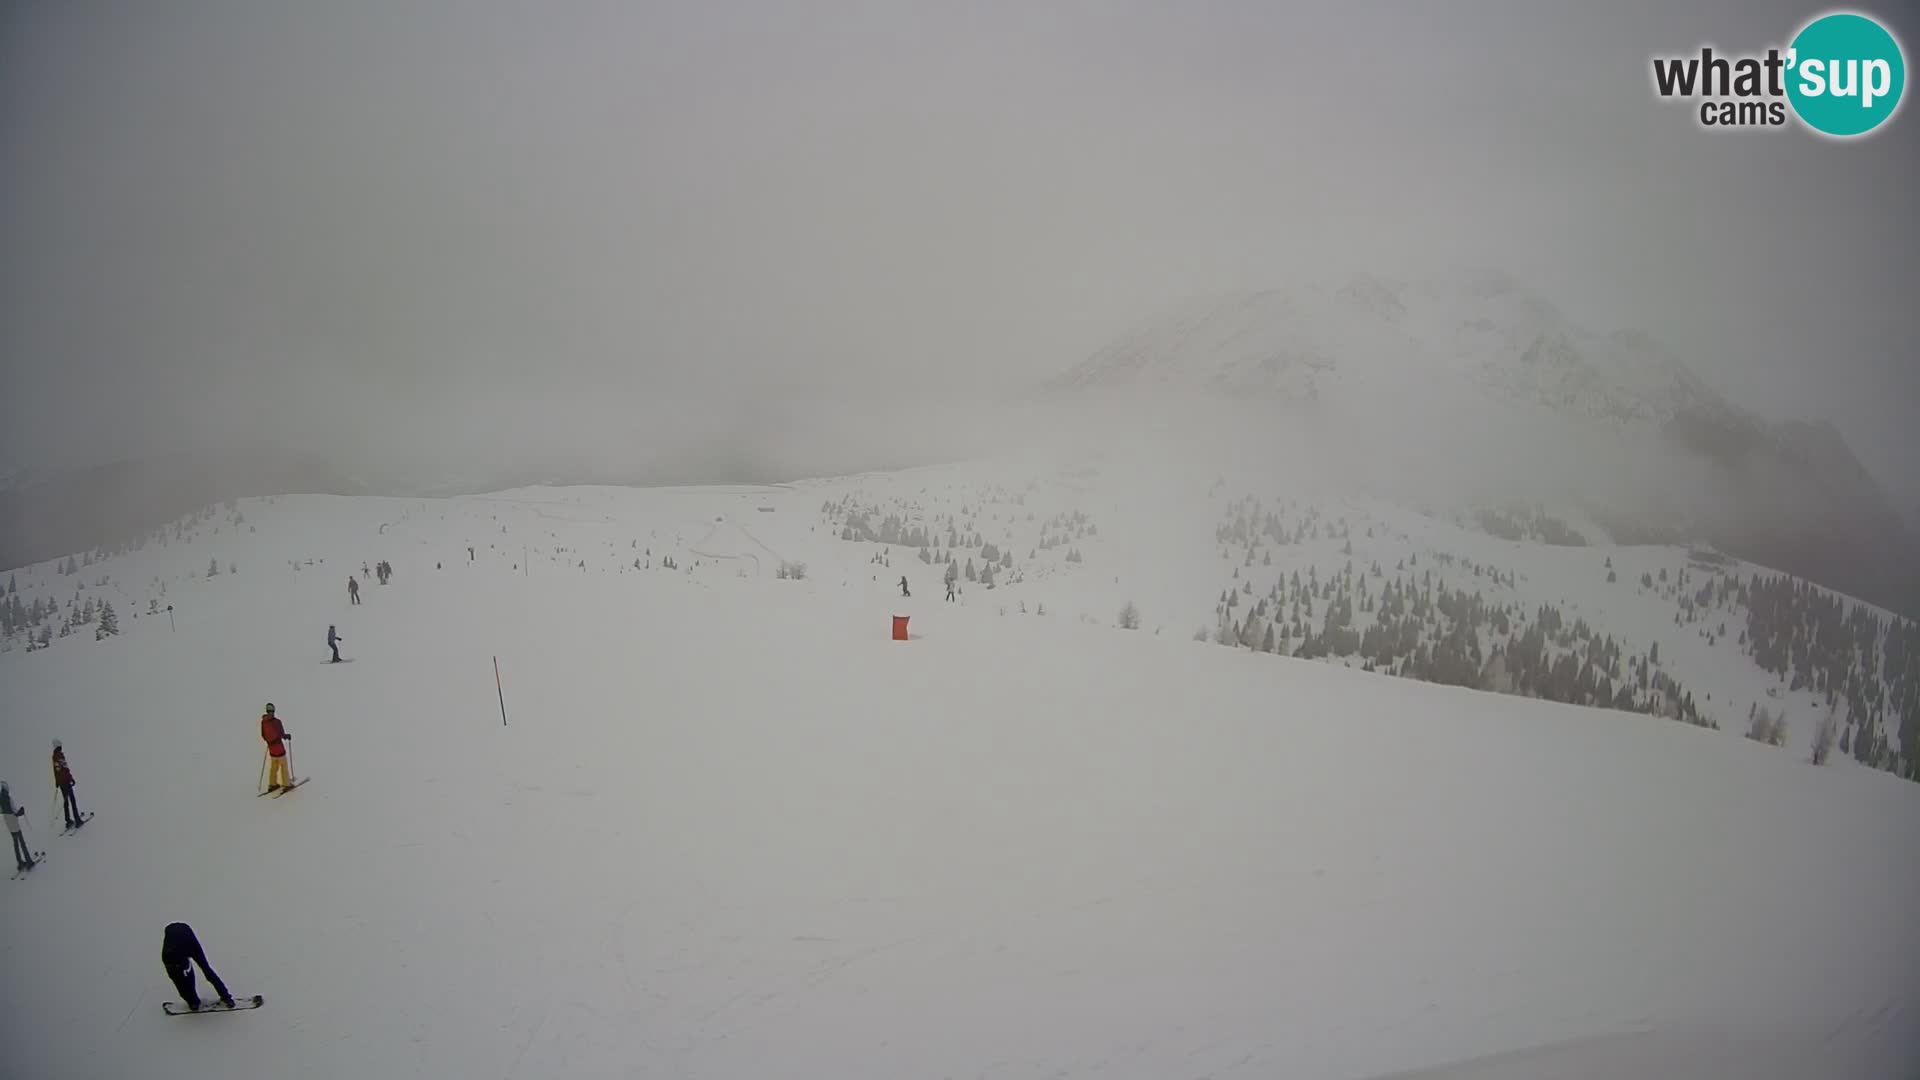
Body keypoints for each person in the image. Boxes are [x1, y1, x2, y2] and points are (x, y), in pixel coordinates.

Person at [162, 922, 234, 1011]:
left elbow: (180, 981)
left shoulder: (178, 952)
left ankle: (226, 997)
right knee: (183, 979)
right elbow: (178, 980)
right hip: (178, 951)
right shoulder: (168, 958)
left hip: (189, 941)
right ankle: (193, 1001)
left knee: (206, 970)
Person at [261, 704, 295, 792]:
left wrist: (269, 742)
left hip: (271, 749)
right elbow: (282, 734)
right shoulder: (277, 722)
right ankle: (286, 784)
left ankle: (272, 784)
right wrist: (287, 736)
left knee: (274, 766)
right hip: (279, 748)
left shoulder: (263, 722)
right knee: (284, 766)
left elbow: (263, 735)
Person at [1, 782, 32, 872]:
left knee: (15, 842)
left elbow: (1, 811)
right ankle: (29, 861)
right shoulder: (8, 798)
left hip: (7, 821)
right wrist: (21, 811)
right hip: (13, 822)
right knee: (21, 842)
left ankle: (20, 862)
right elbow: (15, 812)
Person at [51, 740, 82, 829]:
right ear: (59, 746)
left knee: (65, 801)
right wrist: (70, 778)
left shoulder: (54, 757)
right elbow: (65, 769)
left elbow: (56, 771)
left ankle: (68, 821)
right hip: (66, 782)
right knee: (72, 800)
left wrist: (57, 782)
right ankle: (77, 820)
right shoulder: (60, 755)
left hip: (61, 783)